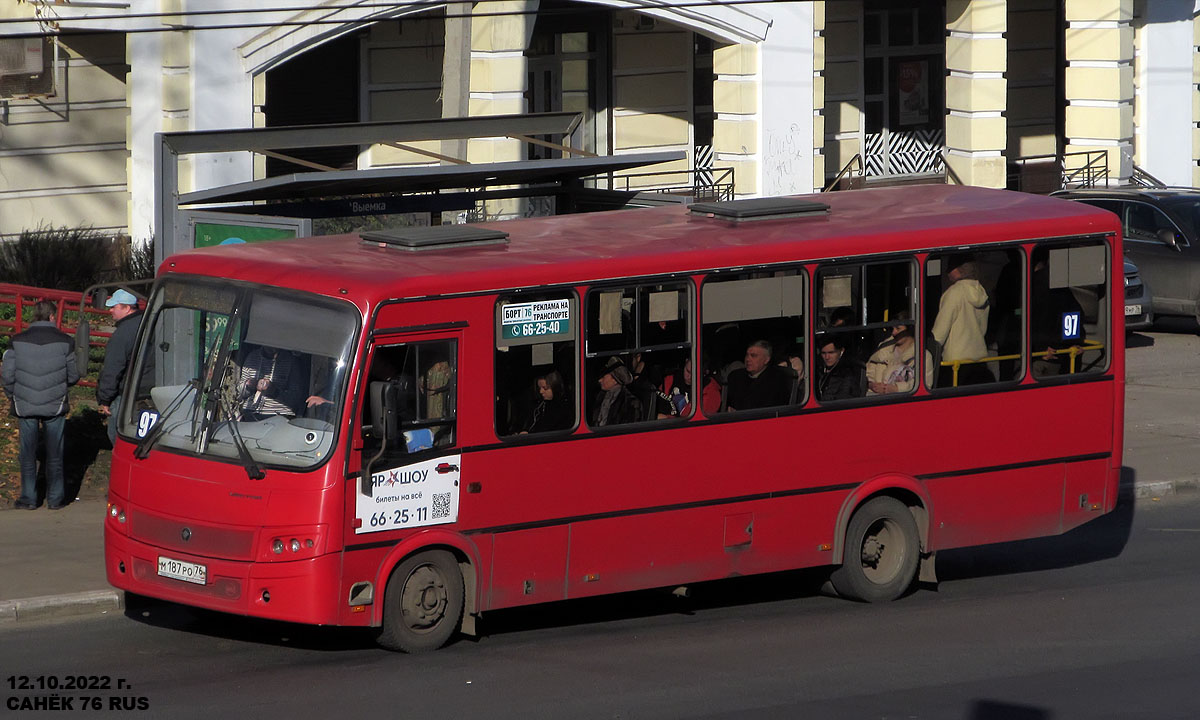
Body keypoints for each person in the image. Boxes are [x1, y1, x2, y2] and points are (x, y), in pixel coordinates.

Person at [2, 301, 79, 510]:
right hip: (54, 404)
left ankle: (28, 497)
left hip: (25, 403)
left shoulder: (16, 341)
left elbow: (7, 375)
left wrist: (13, 395)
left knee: (27, 453)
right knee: (55, 453)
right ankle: (55, 499)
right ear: (53, 317)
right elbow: (73, 375)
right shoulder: (66, 342)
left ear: (33, 316)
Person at [930, 256, 992, 387]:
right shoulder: (982, 292)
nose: (947, 273)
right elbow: (983, 329)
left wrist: (928, 350)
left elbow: (939, 334)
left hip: (955, 365)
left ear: (958, 271)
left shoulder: (954, 292)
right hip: (980, 361)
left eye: (949, 269)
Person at [97, 288, 144, 446]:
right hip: (148, 393)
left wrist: (105, 398)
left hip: (128, 394)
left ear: (127, 308)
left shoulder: (122, 334)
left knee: (117, 436)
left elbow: (113, 368)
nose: (110, 310)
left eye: (114, 306)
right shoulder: (149, 324)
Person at [1031, 249, 1086, 376]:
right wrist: (1073, 343)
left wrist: (1041, 347)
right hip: (1062, 354)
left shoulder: (1036, 284)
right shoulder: (1059, 283)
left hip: (1043, 357)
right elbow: (1074, 313)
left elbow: (1034, 319)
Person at [865, 313, 933, 395]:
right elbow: (869, 368)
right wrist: (871, 384)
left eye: (898, 328)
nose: (893, 333)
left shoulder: (923, 356)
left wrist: (896, 388)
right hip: (872, 396)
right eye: (892, 328)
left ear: (909, 330)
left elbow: (925, 384)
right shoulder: (884, 348)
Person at [238, 344, 305, 420]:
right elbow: (239, 392)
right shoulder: (252, 357)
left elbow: (296, 398)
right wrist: (249, 385)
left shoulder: (291, 361)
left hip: (278, 415)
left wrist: (274, 391)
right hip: (249, 412)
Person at [724, 340, 792, 411]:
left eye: (753, 356)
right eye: (747, 355)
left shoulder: (776, 380)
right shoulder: (735, 376)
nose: (747, 359)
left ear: (766, 360)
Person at [592, 356, 641, 427]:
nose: (600, 380)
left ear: (614, 380)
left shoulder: (631, 403)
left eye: (603, 377)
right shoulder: (599, 397)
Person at [816, 335, 864, 401]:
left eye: (831, 353)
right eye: (823, 353)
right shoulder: (818, 369)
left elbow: (845, 398)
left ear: (841, 351)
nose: (827, 357)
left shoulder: (847, 373)